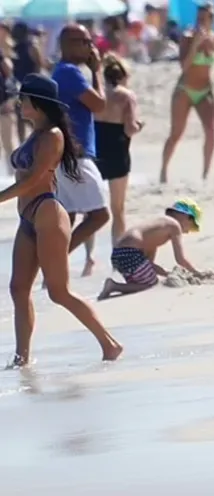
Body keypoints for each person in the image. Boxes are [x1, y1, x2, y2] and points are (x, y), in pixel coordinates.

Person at [0, 74, 123, 365]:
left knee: (59, 291)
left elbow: (33, 180)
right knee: (18, 288)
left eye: (24, 99)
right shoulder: (35, 132)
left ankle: (110, 344)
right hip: (27, 219)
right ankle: (22, 358)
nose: (19, 103)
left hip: (48, 215)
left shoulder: (53, 135)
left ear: (38, 104)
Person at [52, 24, 111, 277]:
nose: (91, 47)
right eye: (85, 42)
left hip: (66, 153)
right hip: (76, 155)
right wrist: (97, 72)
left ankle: (52, 271)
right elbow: (99, 105)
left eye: (91, 42)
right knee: (100, 215)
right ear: (68, 44)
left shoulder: (63, 72)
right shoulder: (69, 73)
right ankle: (54, 263)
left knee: (69, 215)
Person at [160, 1, 214, 183]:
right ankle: (163, 171)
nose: (200, 22)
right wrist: (196, 44)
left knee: (211, 130)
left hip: (205, 90)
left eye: (205, 18)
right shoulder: (187, 37)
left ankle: (206, 174)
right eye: (199, 18)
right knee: (176, 133)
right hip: (185, 89)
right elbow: (184, 66)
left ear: (212, 20)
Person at [98, 199, 202, 300]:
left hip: (119, 255)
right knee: (150, 284)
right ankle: (114, 286)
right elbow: (180, 259)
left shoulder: (156, 228)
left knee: (142, 281)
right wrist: (196, 273)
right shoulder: (174, 225)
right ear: (186, 216)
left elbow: (149, 264)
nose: (188, 232)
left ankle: (116, 286)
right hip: (130, 254)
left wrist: (167, 273)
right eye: (192, 227)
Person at [95, 52, 144, 246]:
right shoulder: (126, 96)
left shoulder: (96, 92)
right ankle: (118, 254)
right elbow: (130, 129)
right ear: (123, 76)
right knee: (118, 210)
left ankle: (89, 258)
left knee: (91, 211)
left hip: (95, 152)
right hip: (117, 153)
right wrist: (140, 126)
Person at [12, 22, 44, 143]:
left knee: (30, 117)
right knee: (20, 117)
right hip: (19, 86)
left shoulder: (31, 46)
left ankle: (39, 139)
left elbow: (39, 65)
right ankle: (23, 144)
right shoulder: (14, 48)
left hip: (29, 86)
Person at [0, 23, 15, 173]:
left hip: (4, 104)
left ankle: (11, 172)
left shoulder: (5, 51)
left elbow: (9, 75)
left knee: (7, 141)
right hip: (4, 103)